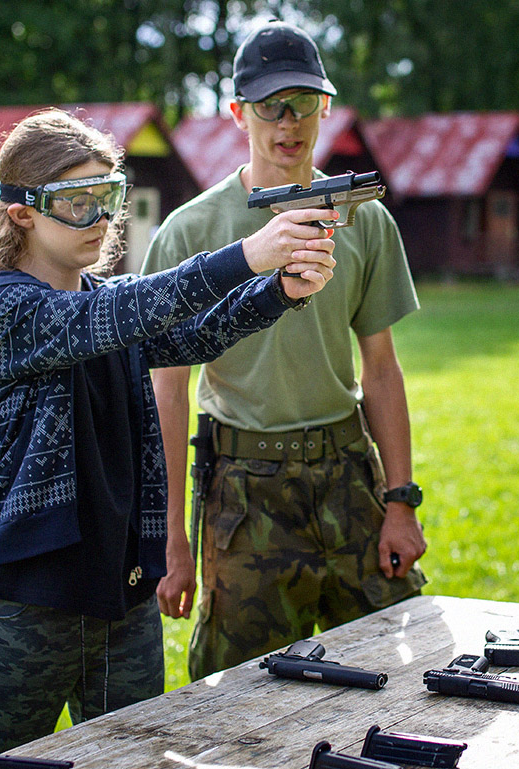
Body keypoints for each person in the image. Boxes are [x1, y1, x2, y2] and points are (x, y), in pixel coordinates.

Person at [0, 108, 337, 752]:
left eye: (109, 198)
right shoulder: (0, 308)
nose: (99, 220)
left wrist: (280, 290)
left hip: (124, 603)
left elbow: (194, 332)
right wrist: (247, 255)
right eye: (76, 202)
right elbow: (124, 311)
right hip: (24, 611)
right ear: (21, 212)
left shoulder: (100, 303)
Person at [142, 21, 426, 681]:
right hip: (245, 493)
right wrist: (172, 537)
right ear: (239, 113)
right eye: (271, 106)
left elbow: (381, 371)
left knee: (403, 677)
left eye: (305, 103)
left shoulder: (363, 218)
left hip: (348, 479)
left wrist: (400, 500)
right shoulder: (192, 231)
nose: (288, 122)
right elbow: (168, 391)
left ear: (325, 108)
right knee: (239, 700)